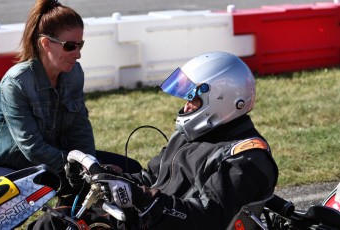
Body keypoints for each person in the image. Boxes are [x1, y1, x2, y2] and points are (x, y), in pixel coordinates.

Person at [31, 51, 279, 229]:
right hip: (147, 218)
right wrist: (109, 179)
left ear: (223, 99)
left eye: (193, 99)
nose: (185, 106)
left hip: (166, 222)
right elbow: (152, 179)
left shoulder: (246, 158)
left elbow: (207, 218)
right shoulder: (190, 136)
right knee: (57, 220)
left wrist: (142, 198)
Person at [0, 0, 141, 188]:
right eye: (70, 46)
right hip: (15, 167)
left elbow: (80, 129)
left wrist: (91, 165)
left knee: (131, 170)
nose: (78, 54)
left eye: (81, 45)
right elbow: (33, 148)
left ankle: (75, 212)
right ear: (45, 43)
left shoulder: (74, 73)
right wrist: (84, 169)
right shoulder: (16, 83)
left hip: (60, 161)